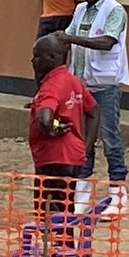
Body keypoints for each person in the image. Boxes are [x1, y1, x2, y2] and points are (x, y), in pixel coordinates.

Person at [60, 0, 129, 217]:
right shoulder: (80, 10)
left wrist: (72, 38)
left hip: (105, 86)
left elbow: (107, 42)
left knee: (110, 139)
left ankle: (118, 196)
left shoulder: (114, 11)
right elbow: (69, 39)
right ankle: (82, 194)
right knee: (82, 140)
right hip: (81, 86)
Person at [29, 34, 99, 217]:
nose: (33, 61)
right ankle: (65, 244)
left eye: (37, 56)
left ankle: (60, 246)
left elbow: (44, 120)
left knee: (51, 216)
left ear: (52, 57)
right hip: (72, 156)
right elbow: (93, 111)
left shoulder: (51, 86)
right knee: (65, 212)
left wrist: (55, 127)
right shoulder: (72, 81)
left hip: (54, 159)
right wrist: (86, 146)